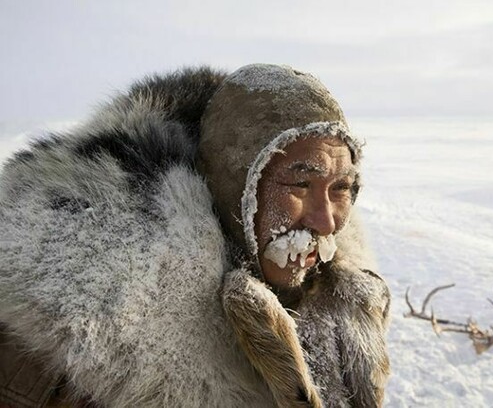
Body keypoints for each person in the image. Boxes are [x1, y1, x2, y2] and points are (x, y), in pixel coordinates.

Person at [0, 64, 390, 407]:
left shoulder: (342, 307)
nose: (326, 222)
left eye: (341, 188)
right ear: (231, 185)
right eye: (300, 184)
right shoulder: (69, 341)